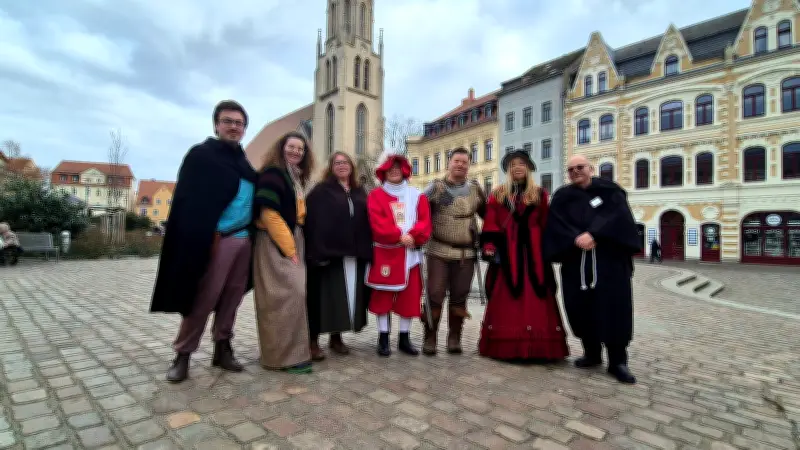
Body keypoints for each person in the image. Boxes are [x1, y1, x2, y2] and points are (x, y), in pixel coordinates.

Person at [151, 100, 257, 383]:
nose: (234, 127)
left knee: (232, 298)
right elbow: (188, 202)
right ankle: (183, 353)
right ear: (216, 125)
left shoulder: (243, 162)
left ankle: (222, 348)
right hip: (217, 240)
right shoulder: (202, 156)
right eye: (228, 121)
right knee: (204, 297)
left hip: (245, 240)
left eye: (239, 123)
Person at [543, 155, 641, 384]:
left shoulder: (610, 191)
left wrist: (595, 234)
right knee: (580, 307)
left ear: (591, 169)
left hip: (609, 263)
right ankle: (592, 353)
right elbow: (556, 224)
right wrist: (576, 238)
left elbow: (618, 218)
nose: (576, 171)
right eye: (571, 169)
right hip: (576, 261)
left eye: (580, 167)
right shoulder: (562, 196)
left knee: (614, 309)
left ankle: (618, 361)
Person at [478, 150, 569, 361]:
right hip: (509, 254)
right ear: (508, 171)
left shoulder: (539, 194)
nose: (517, 167)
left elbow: (546, 224)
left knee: (538, 296)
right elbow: (491, 222)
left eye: (521, 164)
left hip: (534, 255)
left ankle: (538, 346)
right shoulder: (498, 194)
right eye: (512, 165)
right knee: (506, 297)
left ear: (528, 168)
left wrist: (549, 250)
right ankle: (507, 345)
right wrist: (490, 245)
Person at [252, 131, 315, 374]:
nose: (296, 152)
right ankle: (280, 357)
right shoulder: (272, 174)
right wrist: (290, 251)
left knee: (293, 296)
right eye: (292, 147)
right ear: (282, 148)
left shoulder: (295, 177)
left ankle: (293, 355)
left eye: (300, 149)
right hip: (274, 242)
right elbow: (269, 214)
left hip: (292, 237)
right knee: (284, 295)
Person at [304, 151, 373, 360]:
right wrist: (316, 250)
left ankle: (336, 338)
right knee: (321, 297)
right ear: (331, 167)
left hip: (353, 254)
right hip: (328, 254)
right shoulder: (321, 191)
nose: (342, 166)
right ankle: (312, 341)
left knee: (346, 298)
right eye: (337, 163)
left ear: (352, 166)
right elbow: (313, 222)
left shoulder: (360, 191)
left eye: (345, 162)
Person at [366, 152, 432, 357]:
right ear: (384, 172)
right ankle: (383, 337)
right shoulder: (375, 196)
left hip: (410, 255)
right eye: (390, 168)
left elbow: (424, 220)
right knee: (383, 297)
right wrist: (397, 236)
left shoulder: (417, 195)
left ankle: (404, 337)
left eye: (398, 168)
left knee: (409, 297)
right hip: (386, 254)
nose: (394, 171)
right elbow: (377, 222)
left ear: (404, 171)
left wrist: (414, 235)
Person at [422, 147, 486, 355]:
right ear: (449, 163)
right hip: (438, 250)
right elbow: (420, 212)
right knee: (434, 295)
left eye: (464, 162)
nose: (460, 165)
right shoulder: (435, 188)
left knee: (460, 297)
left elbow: (489, 215)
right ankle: (430, 337)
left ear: (469, 165)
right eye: (456, 161)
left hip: (465, 254)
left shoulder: (475, 188)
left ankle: (454, 338)